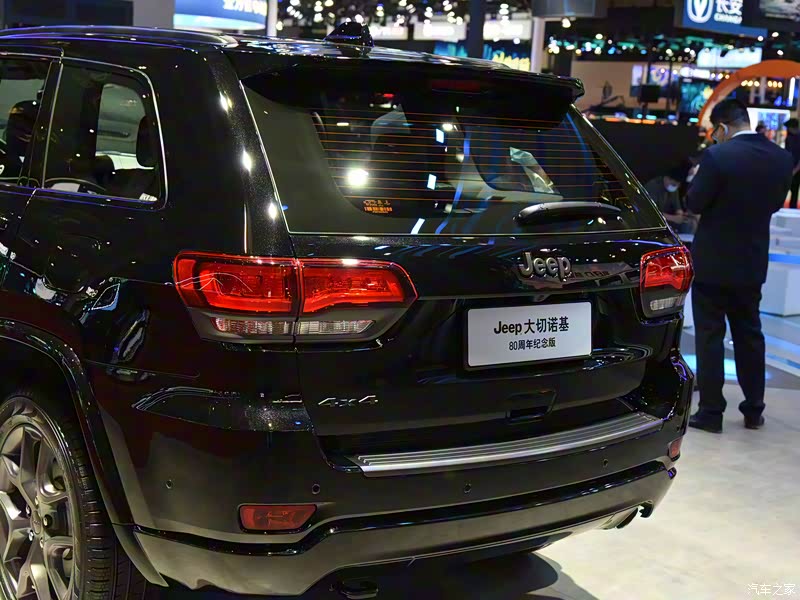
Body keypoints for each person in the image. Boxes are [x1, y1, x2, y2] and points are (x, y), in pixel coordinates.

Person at [687, 99, 794, 434]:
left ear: (721, 127)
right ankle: (753, 410)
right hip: (751, 261)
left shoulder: (717, 156)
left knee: (710, 336)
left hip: (713, 263)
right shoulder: (781, 158)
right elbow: (775, 204)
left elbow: (695, 202)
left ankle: (711, 412)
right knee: (750, 335)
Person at [644, 167, 695, 234]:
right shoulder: (653, 187)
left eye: (678, 185)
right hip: (649, 221)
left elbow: (677, 206)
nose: (675, 187)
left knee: (689, 224)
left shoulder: (673, 188)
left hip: (665, 220)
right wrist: (673, 218)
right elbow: (651, 212)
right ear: (666, 178)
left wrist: (681, 215)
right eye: (674, 184)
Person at [785, 118, 800, 208]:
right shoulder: (789, 138)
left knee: (794, 191)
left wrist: (795, 170)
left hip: (795, 169)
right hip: (791, 168)